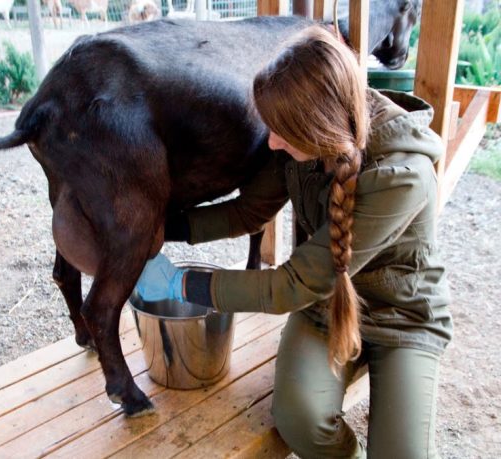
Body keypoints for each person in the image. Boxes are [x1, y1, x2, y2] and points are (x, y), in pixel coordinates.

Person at [136, 25, 452, 459]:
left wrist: (181, 286)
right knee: (300, 420)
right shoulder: (298, 142)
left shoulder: (401, 176)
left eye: (282, 132)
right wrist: (158, 228)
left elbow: (290, 285)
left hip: (400, 316)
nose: (271, 142)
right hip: (327, 308)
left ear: (318, 125)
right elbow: (247, 212)